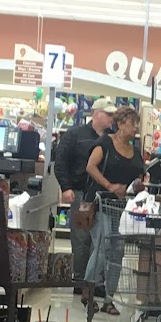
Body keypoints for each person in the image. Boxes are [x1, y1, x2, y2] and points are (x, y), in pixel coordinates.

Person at [85, 105, 147, 313]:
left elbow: (139, 175)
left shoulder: (135, 151)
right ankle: (88, 289)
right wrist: (110, 186)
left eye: (137, 124)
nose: (136, 128)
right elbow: (91, 167)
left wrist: (138, 185)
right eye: (133, 124)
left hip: (121, 207)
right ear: (120, 124)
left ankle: (109, 298)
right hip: (100, 203)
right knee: (103, 247)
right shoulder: (105, 143)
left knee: (118, 252)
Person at [54, 97, 117, 297]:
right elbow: (60, 162)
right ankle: (80, 280)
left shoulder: (112, 139)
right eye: (108, 114)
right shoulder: (75, 135)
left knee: (101, 241)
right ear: (96, 113)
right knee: (81, 239)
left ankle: (94, 282)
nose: (112, 118)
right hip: (81, 194)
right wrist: (66, 187)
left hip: (103, 197)